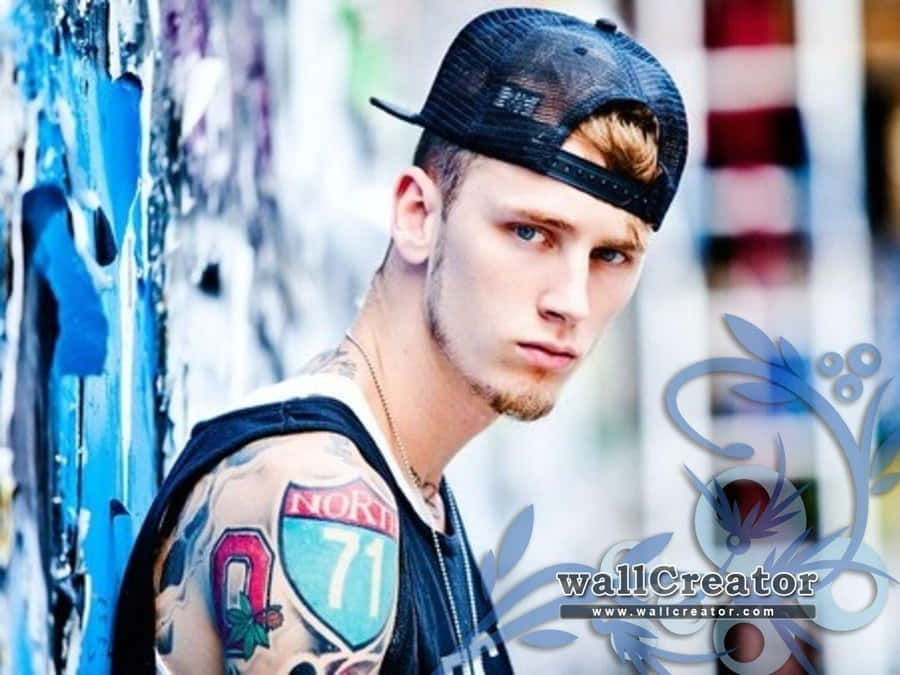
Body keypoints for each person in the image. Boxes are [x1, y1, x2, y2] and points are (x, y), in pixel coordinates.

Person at [112, 7, 688, 674]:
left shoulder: (418, 492)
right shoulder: (319, 495)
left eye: (611, 256)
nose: (571, 300)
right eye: (531, 232)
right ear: (418, 216)